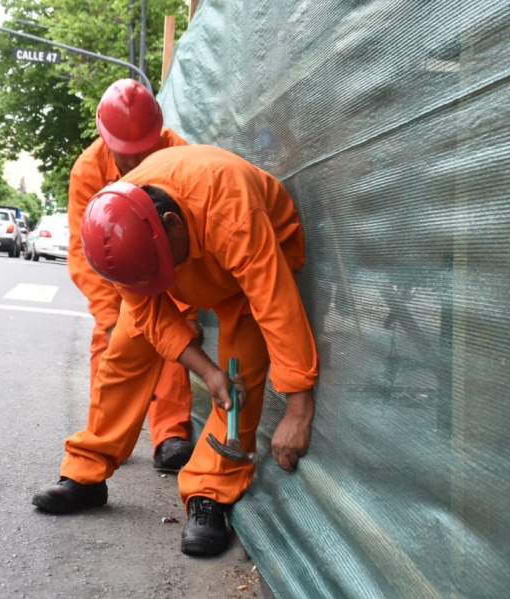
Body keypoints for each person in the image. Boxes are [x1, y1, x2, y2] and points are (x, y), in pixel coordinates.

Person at [33, 144, 319, 558]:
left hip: (254, 256)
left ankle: (210, 491)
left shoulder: (233, 212)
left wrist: (298, 410)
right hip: (183, 255)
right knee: (123, 356)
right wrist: (207, 372)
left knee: (244, 373)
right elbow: (152, 315)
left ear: (169, 224)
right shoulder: (117, 229)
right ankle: (86, 473)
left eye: (157, 272)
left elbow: (276, 305)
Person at [65, 78, 196, 471]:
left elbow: (192, 232)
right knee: (108, 345)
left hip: (171, 272)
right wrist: (109, 316)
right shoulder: (87, 171)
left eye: (144, 150)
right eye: (125, 154)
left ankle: (171, 435)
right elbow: (83, 251)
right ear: (105, 138)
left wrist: (186, 308)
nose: (136, 163)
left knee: (175, 339)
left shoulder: (179, 154)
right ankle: (103, 437)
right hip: (118, 277)